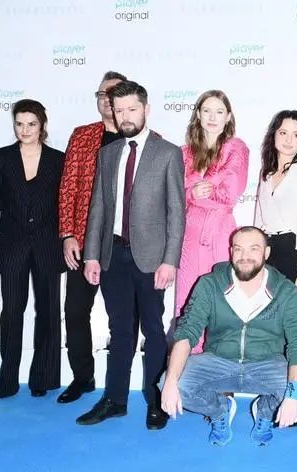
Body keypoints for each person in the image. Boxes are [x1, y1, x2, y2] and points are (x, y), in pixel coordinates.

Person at [76, 81, 185, 430]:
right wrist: (92, 255)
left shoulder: (168, 152)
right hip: (113, 256)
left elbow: (177, 212)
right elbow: (97, 208)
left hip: (152, 259)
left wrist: (170, 260)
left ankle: (156, 402)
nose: (125, 116)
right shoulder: (108, 154)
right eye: (119, 110)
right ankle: (115, 400)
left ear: (146, 109)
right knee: (119, 329)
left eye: (132, 109)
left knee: (153, 330)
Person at [160, 226, 297, 446]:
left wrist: (292, 395)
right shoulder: (210, 284)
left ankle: (264, 410)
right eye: (238, 249)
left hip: (267, 364)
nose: (245, 256)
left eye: (254, 249)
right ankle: (220, 411)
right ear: (231, 251)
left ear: (266, 253)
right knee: (167, 382)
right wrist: (171, 381)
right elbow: (186, 333)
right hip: (219, 361)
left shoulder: (285, 290)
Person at [0, 99, 65, 398]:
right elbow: (0, 200)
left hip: (48, 243)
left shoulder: (59, 159)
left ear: (42, 125)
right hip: (12, 241)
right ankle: (8, 376)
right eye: (19, 124)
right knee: (11, 310)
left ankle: (43, 377)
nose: (25, 129)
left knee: (48, 310)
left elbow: (61, 202)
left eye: (31, 124)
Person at [57, 71, 127, 404]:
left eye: (113, 94)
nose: (106, 100)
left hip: (124, 245)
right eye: (101, 94)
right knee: (75, 311)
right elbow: (68, 186)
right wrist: (68, 234)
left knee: (123, 318)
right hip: (84, 242)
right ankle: (82, 378)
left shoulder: (145, 137)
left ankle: (120, 384)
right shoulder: (83, 135)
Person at [175, 90, 249, 353]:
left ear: (228, 116)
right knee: (187, 299)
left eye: (219, 111)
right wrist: (190, 193)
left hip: (220, 232)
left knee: (222, 298)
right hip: (189, 233)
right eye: (207, 110)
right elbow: (174, 194)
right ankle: (186, 364)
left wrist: (199, 190)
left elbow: (230, 191)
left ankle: (222, 365)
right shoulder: (184, 153)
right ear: (198, 114)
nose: (212, 117)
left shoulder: (236, 148)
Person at [253, 109, 297, 379]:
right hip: (268, 251)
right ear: (274, 135)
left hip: (294, 251)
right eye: (283, 133)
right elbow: (259, 217)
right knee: (271, 318)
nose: (289, 140)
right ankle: (277, 379)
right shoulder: (267, 173)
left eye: (296, 135)